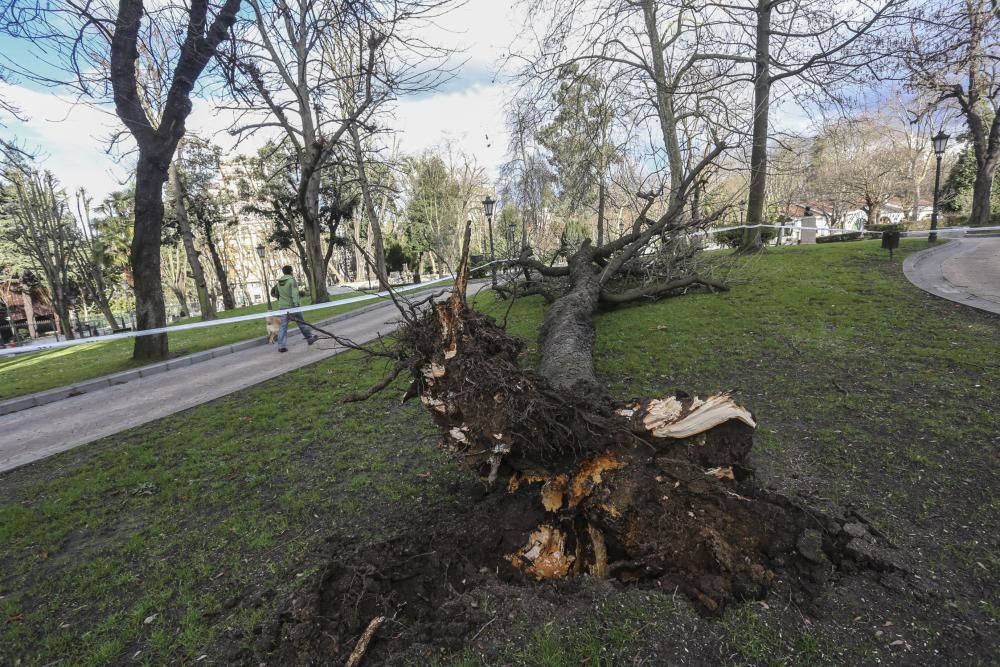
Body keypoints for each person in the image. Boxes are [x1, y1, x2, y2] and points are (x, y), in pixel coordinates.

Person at [273, 265, 319, 353]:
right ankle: (309, 338)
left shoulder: (279, 283)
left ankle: (281, 346)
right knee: (301, 323)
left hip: (282, 307)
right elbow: (294, 294)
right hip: (293, 306)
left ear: (283, 272)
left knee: (283, 327)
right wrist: (296, 305)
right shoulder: (292, 280)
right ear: (291, 271)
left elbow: (276, 293)